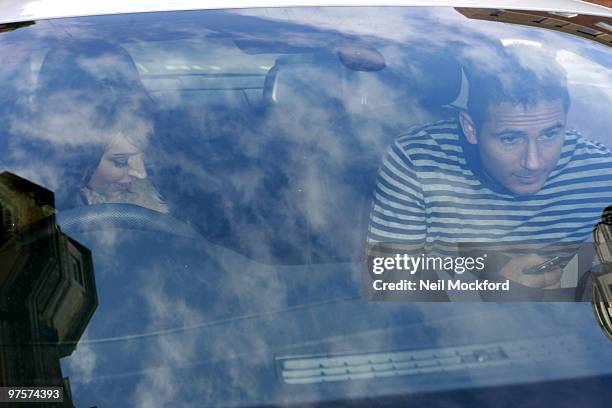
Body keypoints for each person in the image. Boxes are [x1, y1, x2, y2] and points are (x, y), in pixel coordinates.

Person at [367, 45, 612, 290]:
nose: (533, 162)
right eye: (510, 139)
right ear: (470, 127)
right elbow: (387, 277)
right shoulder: (419, 161)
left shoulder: (603, 172)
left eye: (550, 134)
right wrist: (490, 280)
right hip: (452, 324)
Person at [20, 40, 168, 213]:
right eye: (121, 162)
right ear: (75, 157)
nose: (142, 174)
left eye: (146, 155)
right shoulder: (22, 206)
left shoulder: (150, 194)